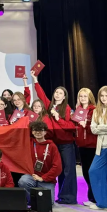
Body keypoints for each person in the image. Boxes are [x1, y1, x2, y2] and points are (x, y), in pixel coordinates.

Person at [31, 71, 77, 204]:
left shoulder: (67, 108)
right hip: (54, 144)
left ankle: (69, 197)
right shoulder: (50, 105)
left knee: (68, 170)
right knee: (60, 170)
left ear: (64, 96)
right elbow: (41, 95)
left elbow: (71, 126)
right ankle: (62, 196)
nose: (57, 94)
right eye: (56, 92)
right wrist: (35, 80)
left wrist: (58, 118)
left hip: (66, 144)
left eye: (60, 93)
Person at [17, 121, 63, 203]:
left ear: (45, 132)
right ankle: (32, 201)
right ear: (32, 132)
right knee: (23, 181)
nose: (38, 132)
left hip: (46, 180)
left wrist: (43, 178)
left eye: (41, 130)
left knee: (48, 203)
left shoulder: (52, 146)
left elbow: (57, 167)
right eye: (35, 130)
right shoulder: (29, 143)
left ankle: (39, 202)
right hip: (32, 177)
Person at [75, 88, 98, 206]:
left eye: (85, 96)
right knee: (85, 172)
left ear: (90, 98)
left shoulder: (94, 110)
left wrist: (86, 125)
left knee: (92, 172)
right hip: (82, 146)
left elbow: (97, 129)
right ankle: (92, 198)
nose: (83, 98)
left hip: (92, 146)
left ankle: (96, 198)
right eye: (81, 96)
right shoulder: (78, 110)